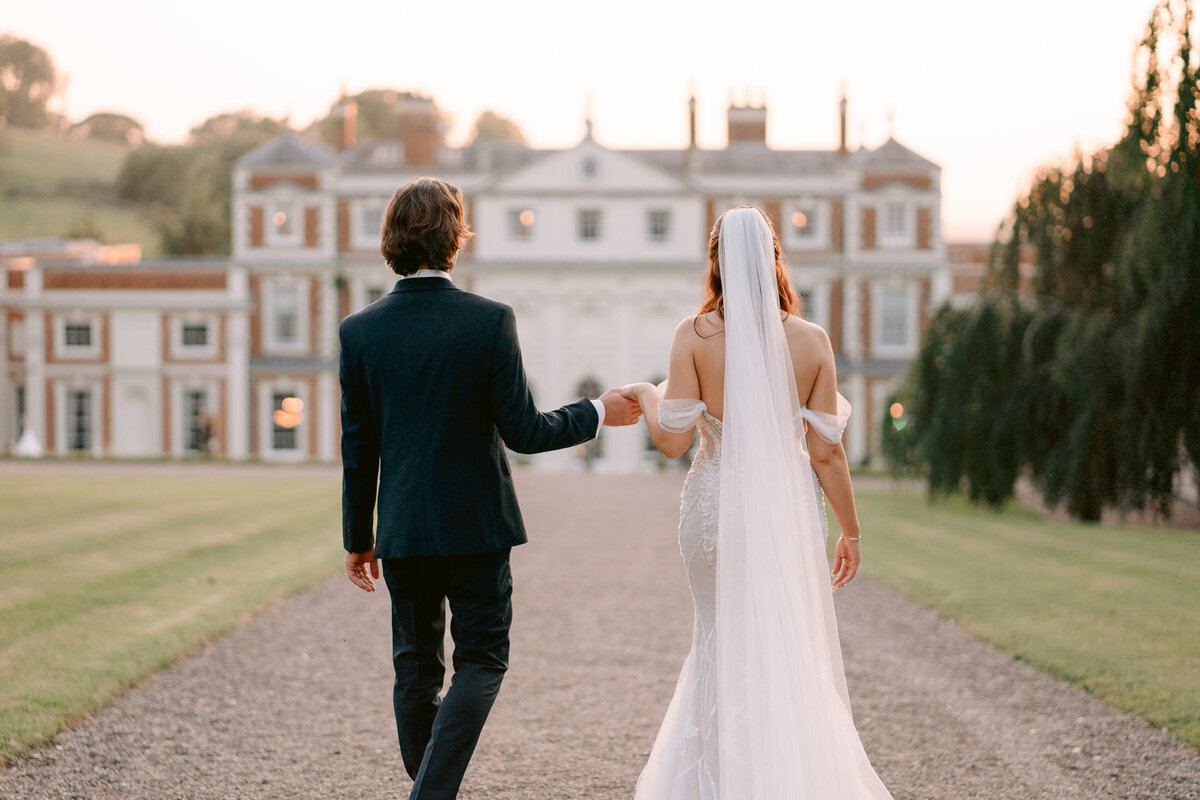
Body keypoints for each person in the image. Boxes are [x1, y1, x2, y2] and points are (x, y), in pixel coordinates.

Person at [338, 176, 642, 800]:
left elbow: (358, 447)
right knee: (482, 661)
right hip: (477, 528)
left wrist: (358, 537)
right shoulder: (489, 321)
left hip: (403, 531)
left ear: (390, 240)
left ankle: (428, 788)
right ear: (456, 239)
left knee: (415, 667)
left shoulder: (359, 331)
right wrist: (597, 411)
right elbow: (524, 432)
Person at [621, 207, 893, 799]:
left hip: (715, 507)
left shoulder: (694, 335)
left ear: (716, 260)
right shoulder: (813, 341)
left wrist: (646, 394)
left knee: (717, 638)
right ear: (774, 260)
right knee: (781, 647)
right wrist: (852, 532)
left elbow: (671, 443)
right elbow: (826, 455)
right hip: (786, 514)